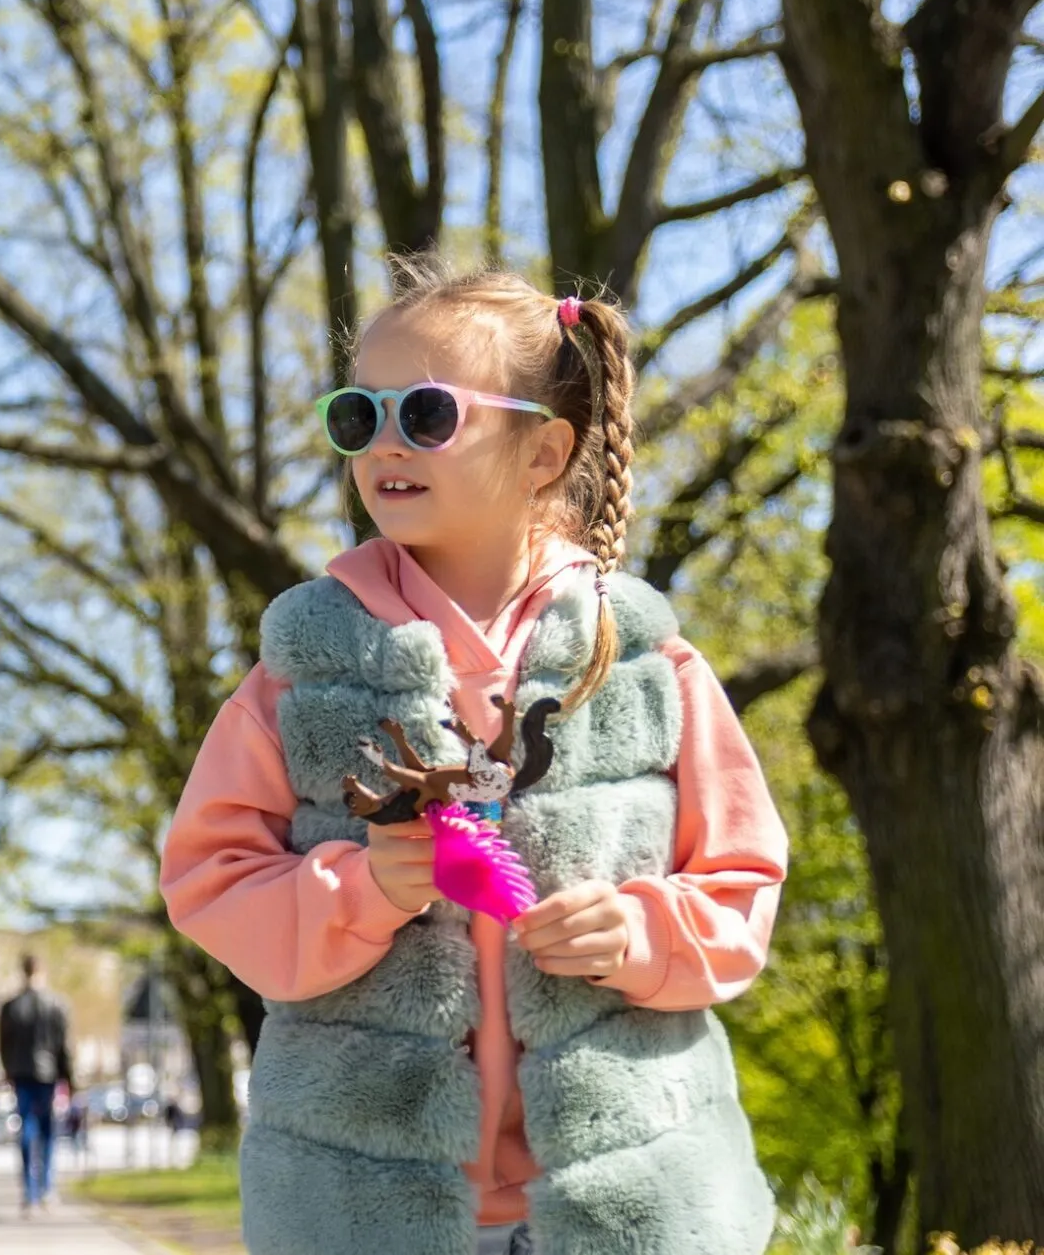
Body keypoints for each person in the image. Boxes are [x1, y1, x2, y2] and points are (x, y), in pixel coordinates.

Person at [160, 268, 788, 1255]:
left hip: (630, 1196)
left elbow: (740, 880)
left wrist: (640, 930)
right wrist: (362, 889)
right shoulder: (305, 668)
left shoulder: (640, 658)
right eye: (357, 415)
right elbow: (209, 879)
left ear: (544, 450)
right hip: (363, 1204)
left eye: (425, 413)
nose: (384, 444)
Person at [0, 953, 72, 1215]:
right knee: (48, 1130)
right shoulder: (56, 1004)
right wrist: (69, 1078)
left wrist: (8, 1071)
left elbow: (3, 1044)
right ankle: (47, 1188)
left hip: (21, 1074)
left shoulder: (10, 1006)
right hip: (48, 1075)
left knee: (27, 1128)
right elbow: (63, 1045)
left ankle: (29, 1191)